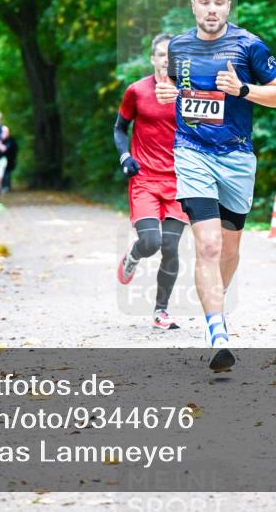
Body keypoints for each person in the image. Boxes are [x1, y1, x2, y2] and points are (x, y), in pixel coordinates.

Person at [155, 0, 276, 371]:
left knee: (229, 250)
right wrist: (171, 97)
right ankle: (218, 333)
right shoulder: (177, 47)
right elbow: (183, 93)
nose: (212, 9)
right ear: (193, 6)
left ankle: (215, 304)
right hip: (192, 151)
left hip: (236, 158)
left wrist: (243, 89)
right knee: (208, 246)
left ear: (228, 7)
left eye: (219, 3)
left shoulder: (249, 46)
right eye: (205, 2)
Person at [114, 33, 188, 330]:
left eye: (171, 56)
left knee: (170, 247)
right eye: (160, 55)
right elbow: (120, 128)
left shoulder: (189, 93)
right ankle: (134, 254)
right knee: (151, 242)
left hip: (180, 182)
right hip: (145, 178)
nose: (165, 60)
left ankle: (161, 310)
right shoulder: (137, 91)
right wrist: (124, 156)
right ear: (152, 59)